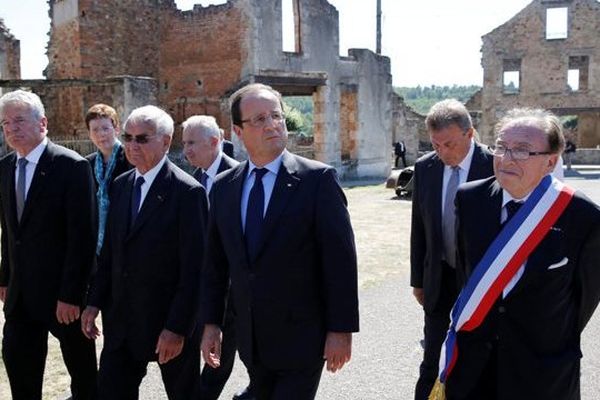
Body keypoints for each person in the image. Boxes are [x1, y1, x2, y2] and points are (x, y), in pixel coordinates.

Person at [200, 83, 359, 400]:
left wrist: (341, 330)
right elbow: (215, 264)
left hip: (302, 338)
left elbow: (340, 261)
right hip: (252, 338)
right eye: (258, 119)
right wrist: (210, 323)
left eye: (276, 115)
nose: (271, 124)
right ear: (237, 131)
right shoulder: (224, 187)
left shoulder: (317, 181)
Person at [436, 108, 600, 400]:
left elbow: (583, 300)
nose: (506, 158)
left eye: (522, 151)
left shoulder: (583, 216)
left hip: (542, 371)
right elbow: (467, 273)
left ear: (550, 161)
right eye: (501, 146)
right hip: (474, 367)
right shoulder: (469, 199)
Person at [81, 105, 208, 399]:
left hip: (167, 323)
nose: (132, 145)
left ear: (165, 142)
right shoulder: (121, 185)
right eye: (128, 137)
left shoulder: (188, 193)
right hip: (122, 322)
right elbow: (111, 252)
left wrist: (177, 328)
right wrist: (94, 302)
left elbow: (195, 269)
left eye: (142, 138)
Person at [0, 90, 97, 399]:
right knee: (20, 370)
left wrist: (71, 295)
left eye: (18, 121)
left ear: (42, 123)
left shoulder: (72, 166)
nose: (11, 129)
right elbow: (9, 231)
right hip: (20, 297)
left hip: (63, 299)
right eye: (5, 123)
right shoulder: (4, 168)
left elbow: (83, 237)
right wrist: (4, 279)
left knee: (83, 377)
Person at [410, 99, 494, 400]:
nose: (442, 152)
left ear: (470, 134)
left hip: (479, 281)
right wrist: (418, 280)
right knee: (432, 355)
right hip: (438, 277)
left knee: (477, 354)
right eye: (435, 144)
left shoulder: (495, 166)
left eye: (449, 144)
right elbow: (419, 227)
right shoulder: (425, 167)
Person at [181, 115, 254, 400]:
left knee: (234, 349)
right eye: (184, 143)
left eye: (191, 143)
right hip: (205, 282)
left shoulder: (240, 177)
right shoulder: (192, 179)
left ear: (214, 142)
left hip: (235, 285)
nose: (186, 150)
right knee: (210, 346)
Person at [84, 104, 133, 255]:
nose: (101, 134)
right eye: (95, 130)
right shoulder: (87, 164)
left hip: (124, 234)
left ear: (116, 129)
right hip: (95, 240)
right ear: (89, 134)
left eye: (105, 128)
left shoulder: (130, 159)